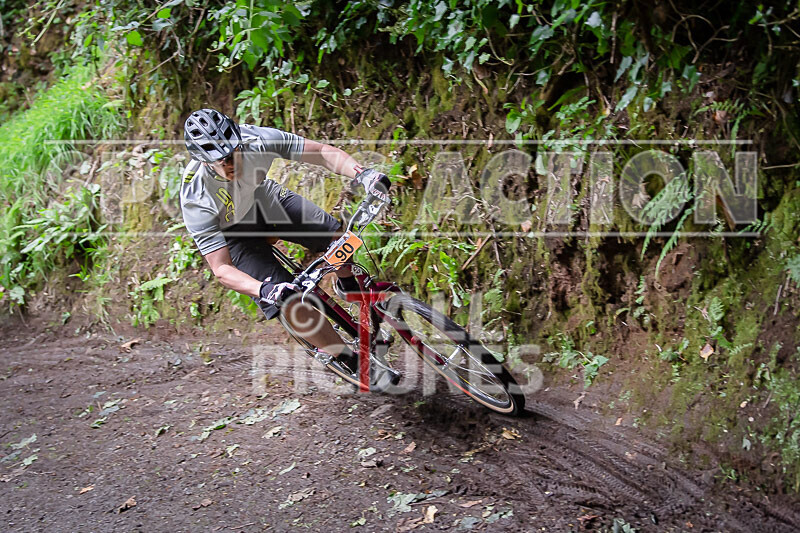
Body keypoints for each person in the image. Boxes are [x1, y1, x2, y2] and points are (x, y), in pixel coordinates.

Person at [180, 108, 392, 382]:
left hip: (264, 200)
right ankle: (348, 359)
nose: (230, 163)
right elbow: (221, 269)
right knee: (290, 303)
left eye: (234, 152)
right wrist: (265, 289)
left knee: (335, 236)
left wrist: (363, 174)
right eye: (220, 160)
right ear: (203, 162)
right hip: (232, 234)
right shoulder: (196, 195)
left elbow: (322, 153)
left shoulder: (257, 139)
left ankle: (349, 287)